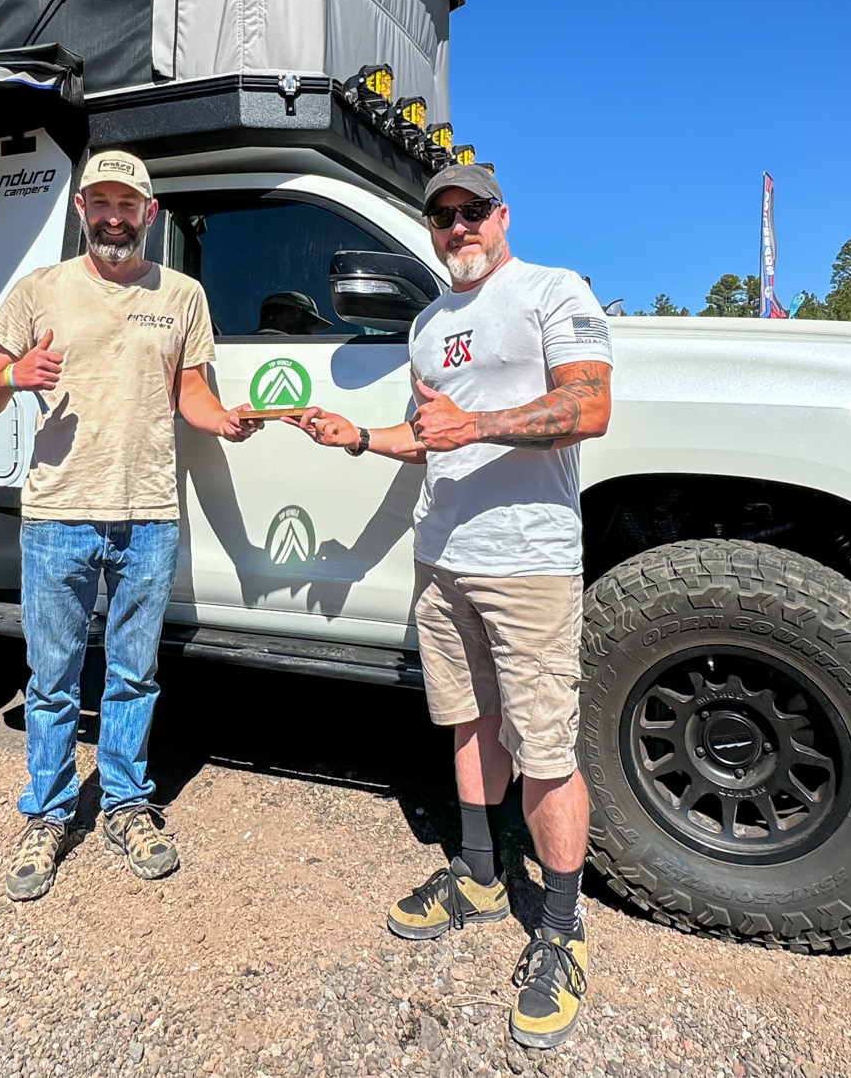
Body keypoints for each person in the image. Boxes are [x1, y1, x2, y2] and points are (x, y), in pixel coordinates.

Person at [293, 163, 612, 1049]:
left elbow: (592, 405)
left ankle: (559, 927)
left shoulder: (552, 290)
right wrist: (356, 434)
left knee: (543, 744)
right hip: (444, 557)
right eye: (443, 217)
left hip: (529, 565)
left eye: (472, 213)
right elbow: (424, 434)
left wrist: (477, 425)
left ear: (502, 216)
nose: (459, 228)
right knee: (469, 724)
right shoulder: (429, 326)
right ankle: (477, 874)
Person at [0, 149, 262, 902]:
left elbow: (189, 393)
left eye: (127, 204)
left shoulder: (183, 295)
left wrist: (223, 421)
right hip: (59, 512)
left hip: (148, 514)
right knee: (53, 678)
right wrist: (11, 376)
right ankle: (48, 812)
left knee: (133, 675)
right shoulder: (41, 291)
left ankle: (127, 804)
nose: (113, 216)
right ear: (81, 210)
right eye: (100, 202)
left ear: (150, 214)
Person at [254, 290, 332, 336]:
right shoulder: (289, 346)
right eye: (309, 322)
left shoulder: (245, 345)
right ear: (292, 313)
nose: (309, 333)